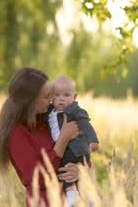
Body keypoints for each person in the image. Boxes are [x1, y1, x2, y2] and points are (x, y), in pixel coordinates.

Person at [0, 67, 81, 207]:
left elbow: (79, 151)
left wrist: (80, 170)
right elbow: (36, 178)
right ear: (31, 101)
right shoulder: (17, 134)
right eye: (47, 96)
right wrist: (63, 139)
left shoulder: (48, 122)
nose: (51, 100)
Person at [47, 75, 99, 206]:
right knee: (75, 172)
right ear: (51, 97)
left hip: (76, 147)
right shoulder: (50, 111)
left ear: (74, 97)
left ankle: (72, 196)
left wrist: (93, 140)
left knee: (65, 168)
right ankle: (88, 199)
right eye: (57, 95)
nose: (61, 99)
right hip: (69, 147)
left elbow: (86, 125)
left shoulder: (75, 111)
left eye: (66, 95)